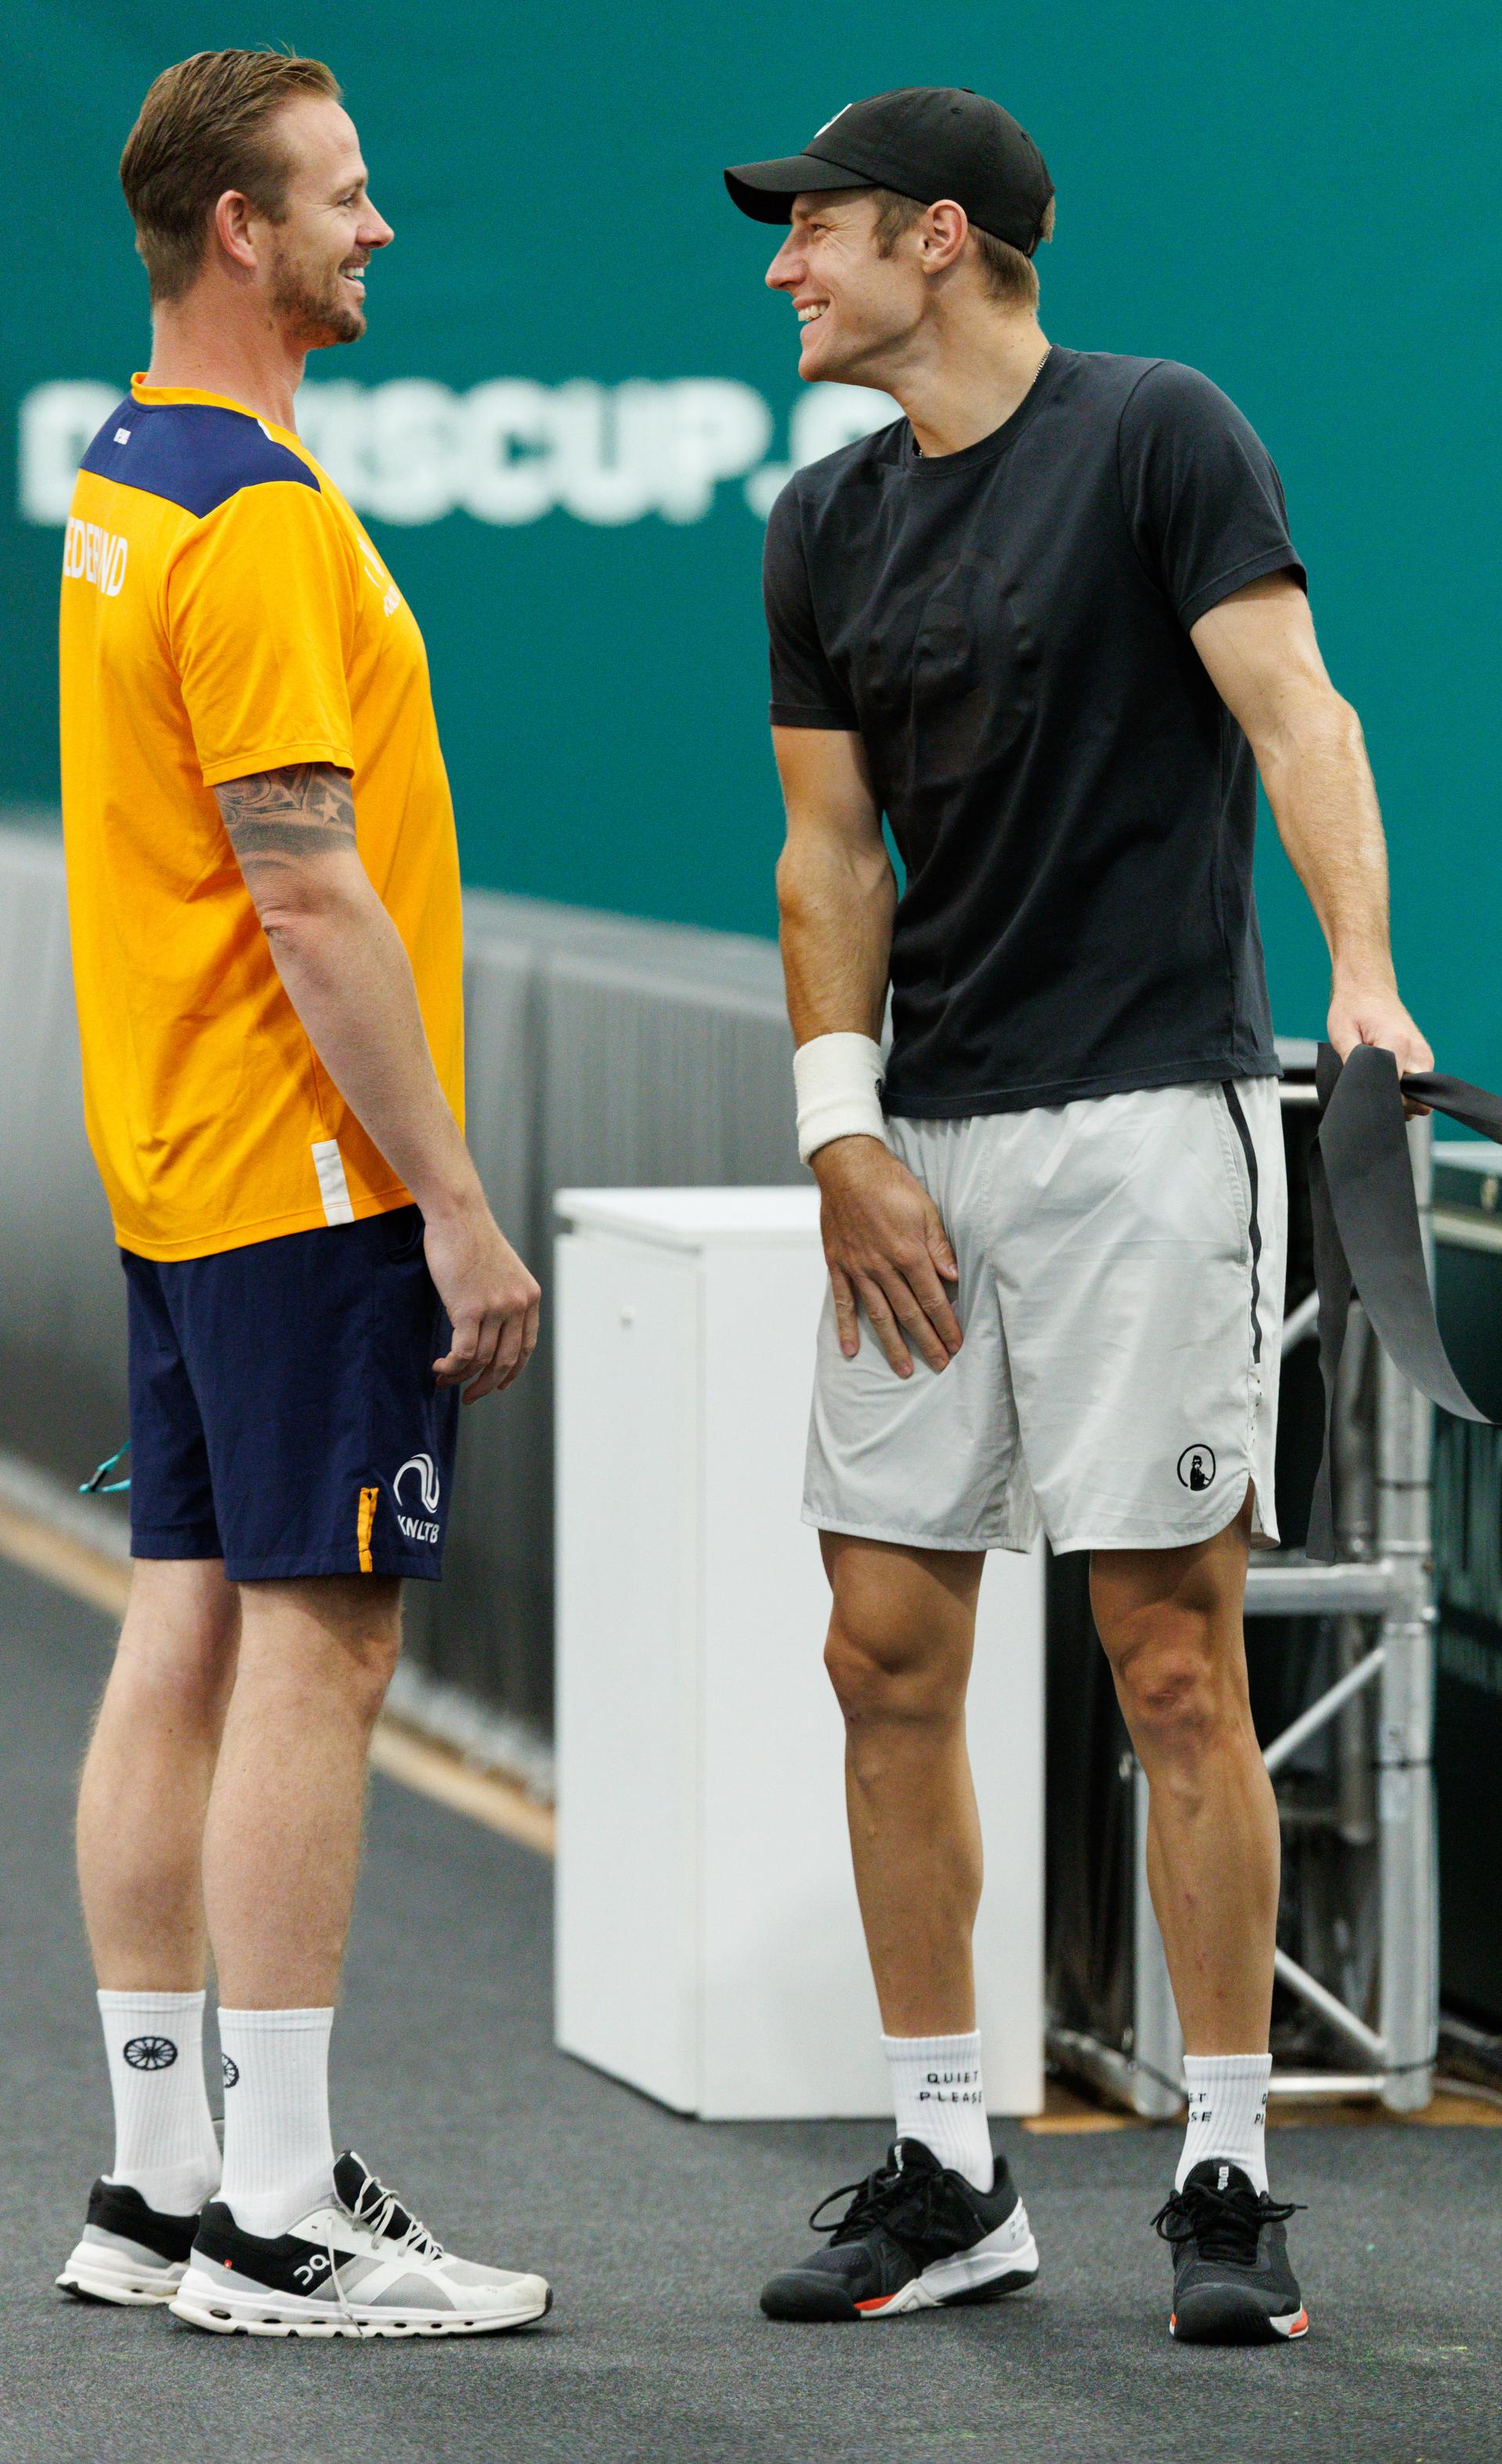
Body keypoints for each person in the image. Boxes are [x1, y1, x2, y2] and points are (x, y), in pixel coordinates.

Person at [724, 85, 1432, 2342]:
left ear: (939, 239)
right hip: (923, 1146)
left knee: (1170, 1664)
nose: (779, 269)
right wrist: (841, 1130)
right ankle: (953, 2167)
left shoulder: (1160, 435)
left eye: (811, 231)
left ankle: (1224, 2180)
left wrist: (1367, 982)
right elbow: (831, 858)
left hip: (1153, 1126)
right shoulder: (816, 525)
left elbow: (1299, 713)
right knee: (881, 1655)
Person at [55, 49, 549, 2339]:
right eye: (345, 197)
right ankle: (275, 2213)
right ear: (239, 230)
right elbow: (308, 888)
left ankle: (158, 2182)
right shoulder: (249, 522)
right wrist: (451, 1198)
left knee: (184, 1630)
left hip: (179, 1166)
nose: (381, 229)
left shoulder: (121, 479)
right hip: (304, 1174)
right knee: (322, 1652)